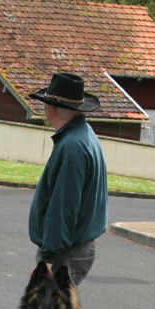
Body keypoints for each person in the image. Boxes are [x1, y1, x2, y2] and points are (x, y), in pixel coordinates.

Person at [27, 72, 108, 287]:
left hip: (66, 253)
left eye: (45, 103)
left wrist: (48, 257)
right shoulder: (83, 134)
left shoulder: (73, 146)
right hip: (72, 249)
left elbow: (63, 207)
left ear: (52, 108)